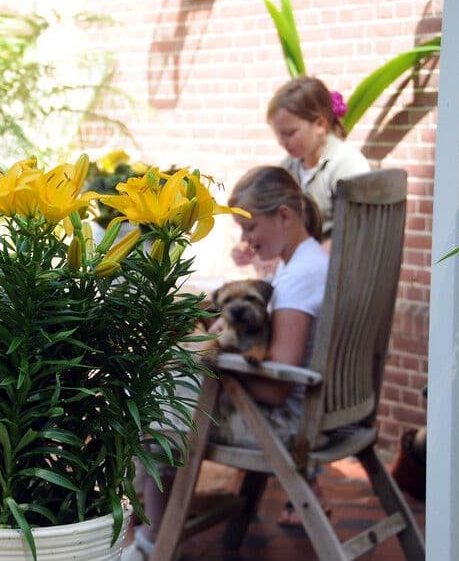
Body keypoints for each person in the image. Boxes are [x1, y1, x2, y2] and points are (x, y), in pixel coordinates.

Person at [123, 166, 329, 560]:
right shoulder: (308, 262)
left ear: (284, 215)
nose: (246, 240)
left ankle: (153, 542)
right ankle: (156, 524)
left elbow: (276, 385)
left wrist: (216, 357)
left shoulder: (299, 277)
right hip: (308, 411)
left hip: (280, 423)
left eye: (249, 228)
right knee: (171, 385)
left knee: (153, 399)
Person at [233, 76, 370, 268]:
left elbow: (355, 234)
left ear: (320, 125)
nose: (283, 142)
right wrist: (250, 244)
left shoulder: (347, 165)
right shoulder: (288, 168)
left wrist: (304, 264)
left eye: (289, 133)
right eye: (279, 135)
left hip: (333, 274)